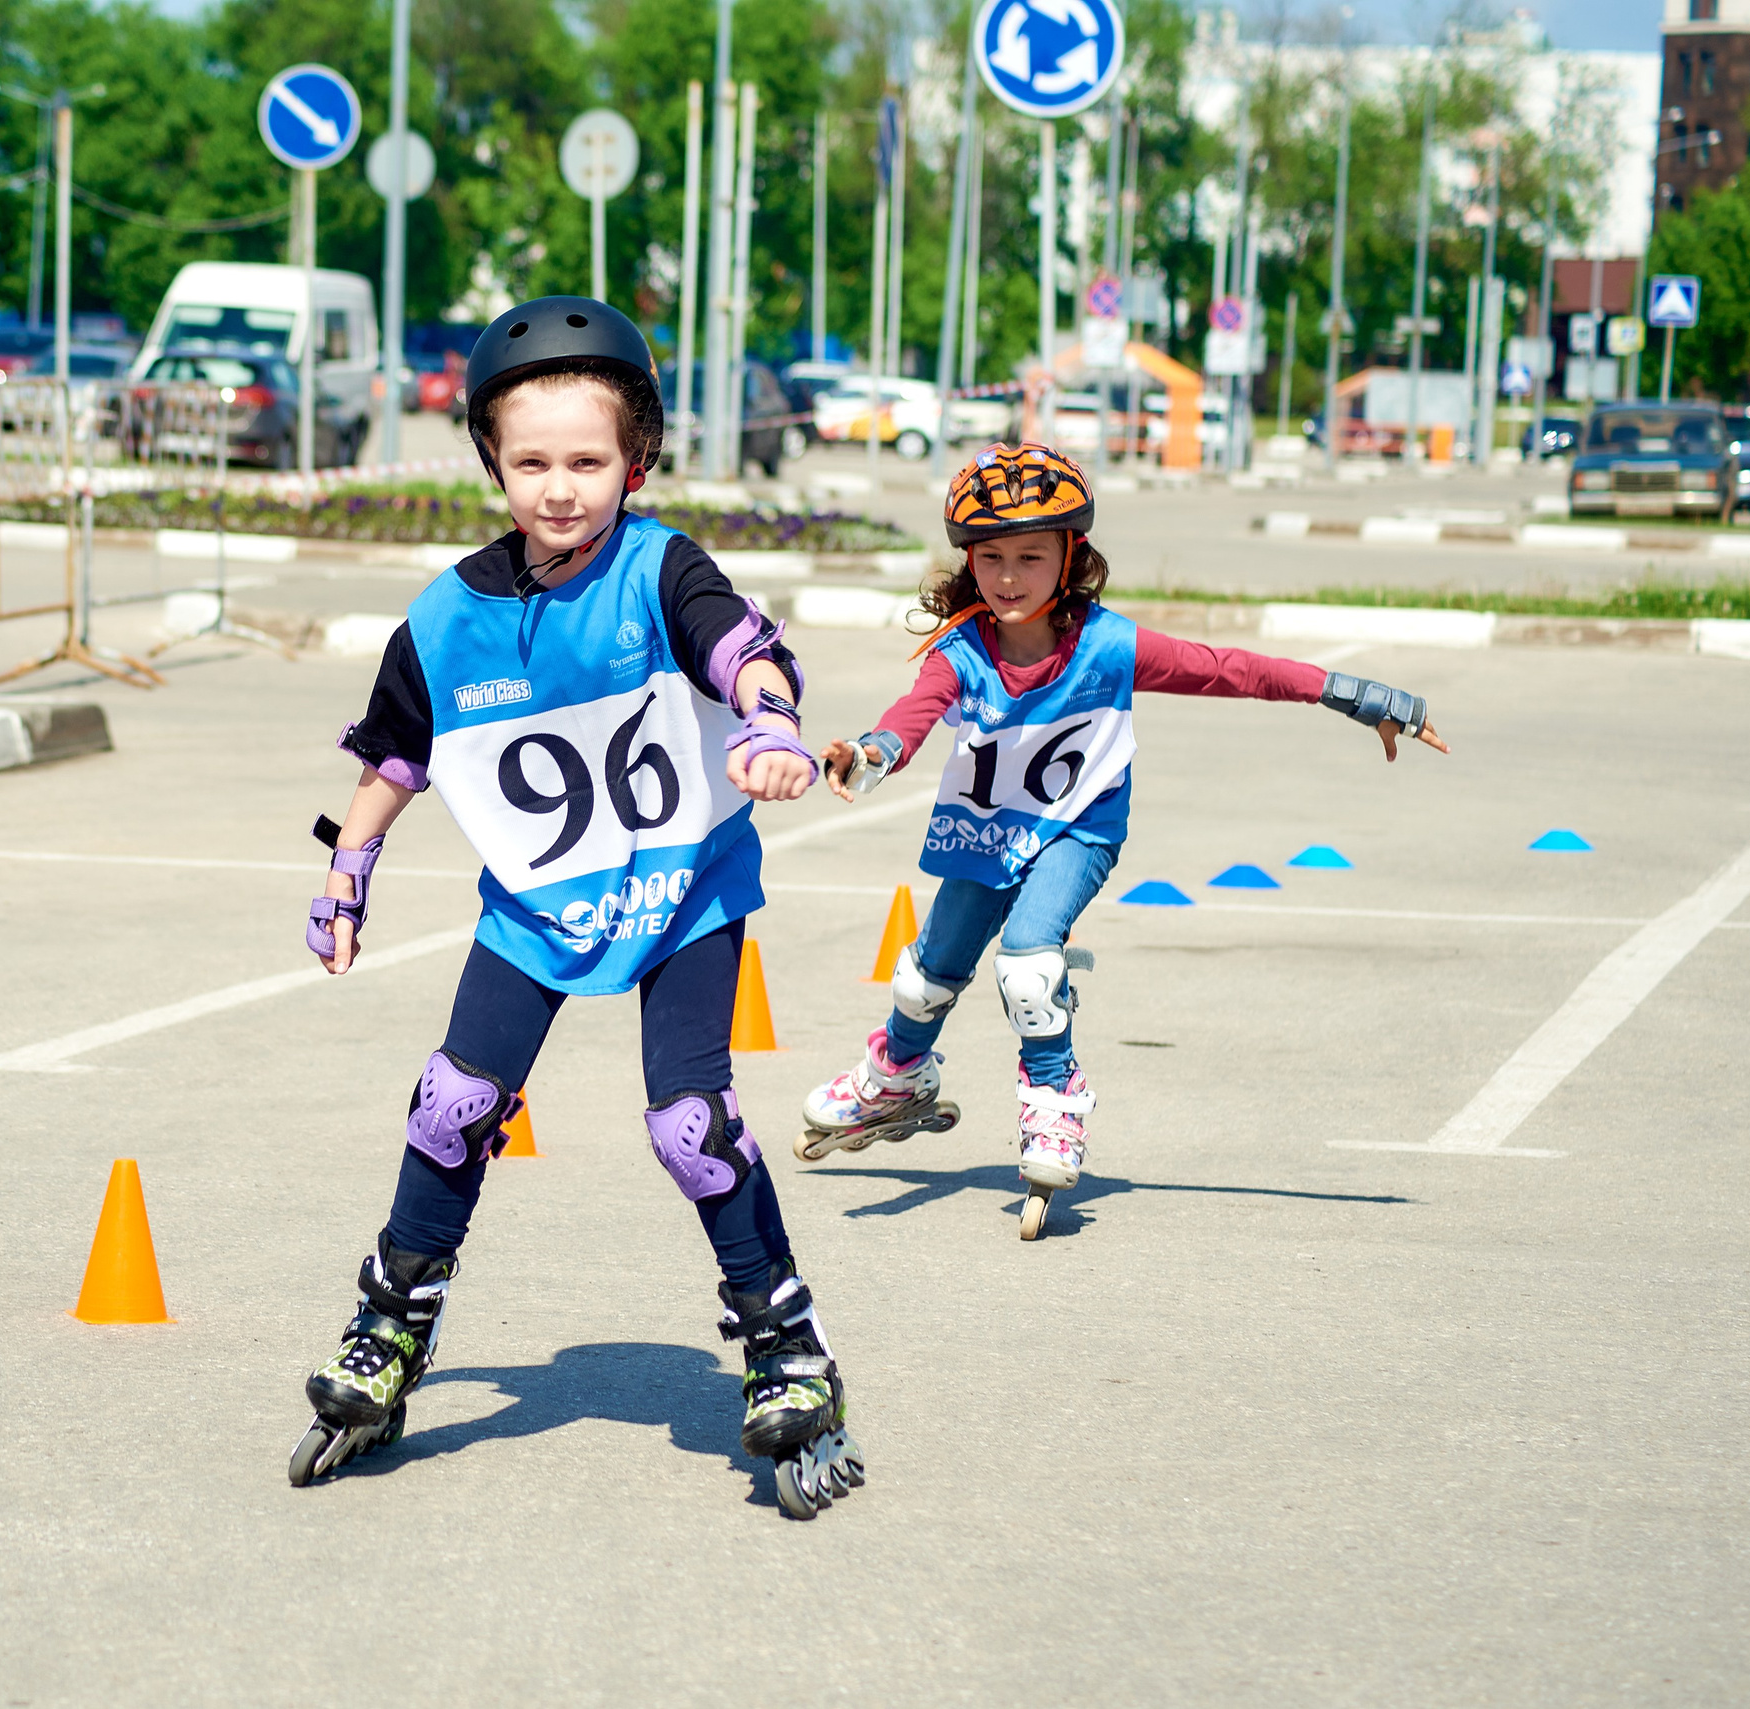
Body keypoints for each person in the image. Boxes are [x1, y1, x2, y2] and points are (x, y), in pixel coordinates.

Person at [289, 297, 863, 1518]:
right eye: (533, 461)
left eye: (588, 461)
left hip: (683, 884)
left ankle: (784, 1342)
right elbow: (396, 757)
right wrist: (346, 872)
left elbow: (732, 645)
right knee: (454, 1102)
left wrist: (766, 717)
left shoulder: (661, 566)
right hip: (540, 904)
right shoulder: (446, 618)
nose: (560, 489)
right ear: (492, 459)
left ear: (635, 462)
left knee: (689, 1121)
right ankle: (390, 1325)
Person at [798, 443, 1450, 1238]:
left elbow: (1230, 669)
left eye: (1031, 556)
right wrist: (870, 754)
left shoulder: (1110, 646)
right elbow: (911, 714)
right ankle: (896, 1076)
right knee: (924, 977)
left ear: (1072, 555)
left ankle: (1054, 1103)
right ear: (968, 562)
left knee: (1030, 966)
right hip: (986, 832)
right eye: (991, 557)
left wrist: (1354, 694)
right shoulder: (961, 652)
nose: (1008, 577)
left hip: (1079, 829)